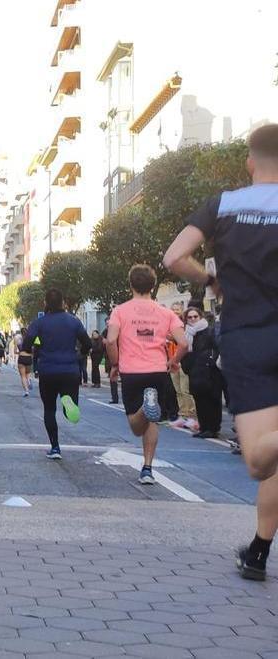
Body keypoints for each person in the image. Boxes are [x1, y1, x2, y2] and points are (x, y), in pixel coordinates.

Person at [162, 123, 278, 580]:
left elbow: (174, 257)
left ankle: (259, 550)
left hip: (250, 336)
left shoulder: (224, 205)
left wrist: (210, 280)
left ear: (250, 162)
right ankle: (258, 551)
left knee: (258, 461)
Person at [105, 264, 187, 486]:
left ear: (131, 285)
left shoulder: (120, 311)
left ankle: (144, 407)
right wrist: (173, 361)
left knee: (135, 426)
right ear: (153, 285)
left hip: (131, 370)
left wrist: (115, 364)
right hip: (157, 370)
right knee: (152, 422)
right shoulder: (165, 312)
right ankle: (147, 468)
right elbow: (184, 343)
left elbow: (111, 340)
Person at [23, 288, 91, 459]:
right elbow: (87, 343)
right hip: (70, 369)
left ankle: (55, 448)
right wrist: (80, 354)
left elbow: (26, 344)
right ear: (63, 303)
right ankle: (68, 403)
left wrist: (33, 350)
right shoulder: (73, 321)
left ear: (45, 303)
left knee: (49, 409)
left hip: (48, 370)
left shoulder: (39, 323)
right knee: (70, 410)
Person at [182, 307, 223, 439]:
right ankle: (204, 427)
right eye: (190, 317)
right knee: (200, 401)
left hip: (210, 373)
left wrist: (211, 362)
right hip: (195, 372)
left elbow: (218, 348)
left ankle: (213, 428)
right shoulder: (187, 334)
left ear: (200, 317)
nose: (193, 319)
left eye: (195, 316)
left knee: (212, 401)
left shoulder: (209, 331)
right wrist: (187, 367)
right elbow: (184, 352)